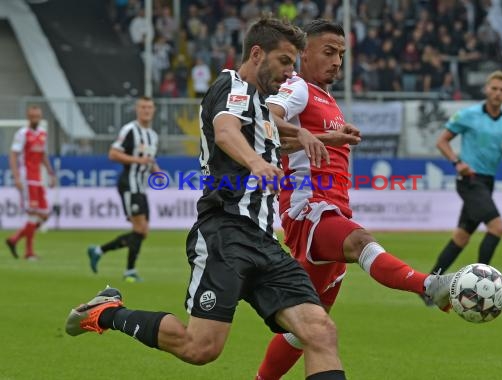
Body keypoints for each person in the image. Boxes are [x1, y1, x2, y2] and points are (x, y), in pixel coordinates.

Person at [66, 18, 348, 380]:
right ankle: (106, 312)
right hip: (225, 233)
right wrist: (255, 163)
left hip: (264, 242)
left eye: (293, 63)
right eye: (284, 61)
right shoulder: (231, 85)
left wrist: (318, 137)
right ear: (257, 53)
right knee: (200, 349)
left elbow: (271, 128)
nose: (290, 72)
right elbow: (226, 130)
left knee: (320, 332)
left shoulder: (260, 103)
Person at [255, 19, 454, 380]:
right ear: (303, 53)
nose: (336, 62)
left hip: (330, 211)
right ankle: (428, 286)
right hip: (309, 212)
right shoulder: (298, 87)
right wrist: (307, 134)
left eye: (341, 55)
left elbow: (301, 140)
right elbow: (266, 119)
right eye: (328, 52)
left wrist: (333, 136)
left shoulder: (325, 99)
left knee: (308, 327)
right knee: (362, 241)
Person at [427, 70, 502, 277]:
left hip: (487, 181)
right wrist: (456, 162)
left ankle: (429, 285)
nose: (498, 93)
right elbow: (441, 141)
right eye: (494, 88)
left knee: (461, 237)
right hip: (469, 179)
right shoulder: (468, 115)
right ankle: (482, 282)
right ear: (487, 89)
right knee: (497, 227)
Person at [86, 97, 159, 282]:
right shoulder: (130, 130)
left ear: (154, 110)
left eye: (149, 107)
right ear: (137, 110)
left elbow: (147, 159)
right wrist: (137, 161)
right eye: (143, 107)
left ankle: (98, 251)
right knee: (139, 227)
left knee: (143, 232)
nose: (146, 111)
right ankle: (129, 271)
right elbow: (113, 153)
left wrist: (155, 170)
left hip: (141, 187)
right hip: (129, 184)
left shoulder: (152, 135)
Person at [5, 105, 56, 260]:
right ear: (28, 117)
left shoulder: (42, 134)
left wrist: (50, 172)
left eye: (38, 116)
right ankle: (29, 252)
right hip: (27, 178)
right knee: (33, 214)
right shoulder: (22, 134)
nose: (36, 119)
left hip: (38, 179)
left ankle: (14, 239)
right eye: (33, 116)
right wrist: (16, 177)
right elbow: (13, 155)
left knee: (45, 215)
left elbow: (43, 155)